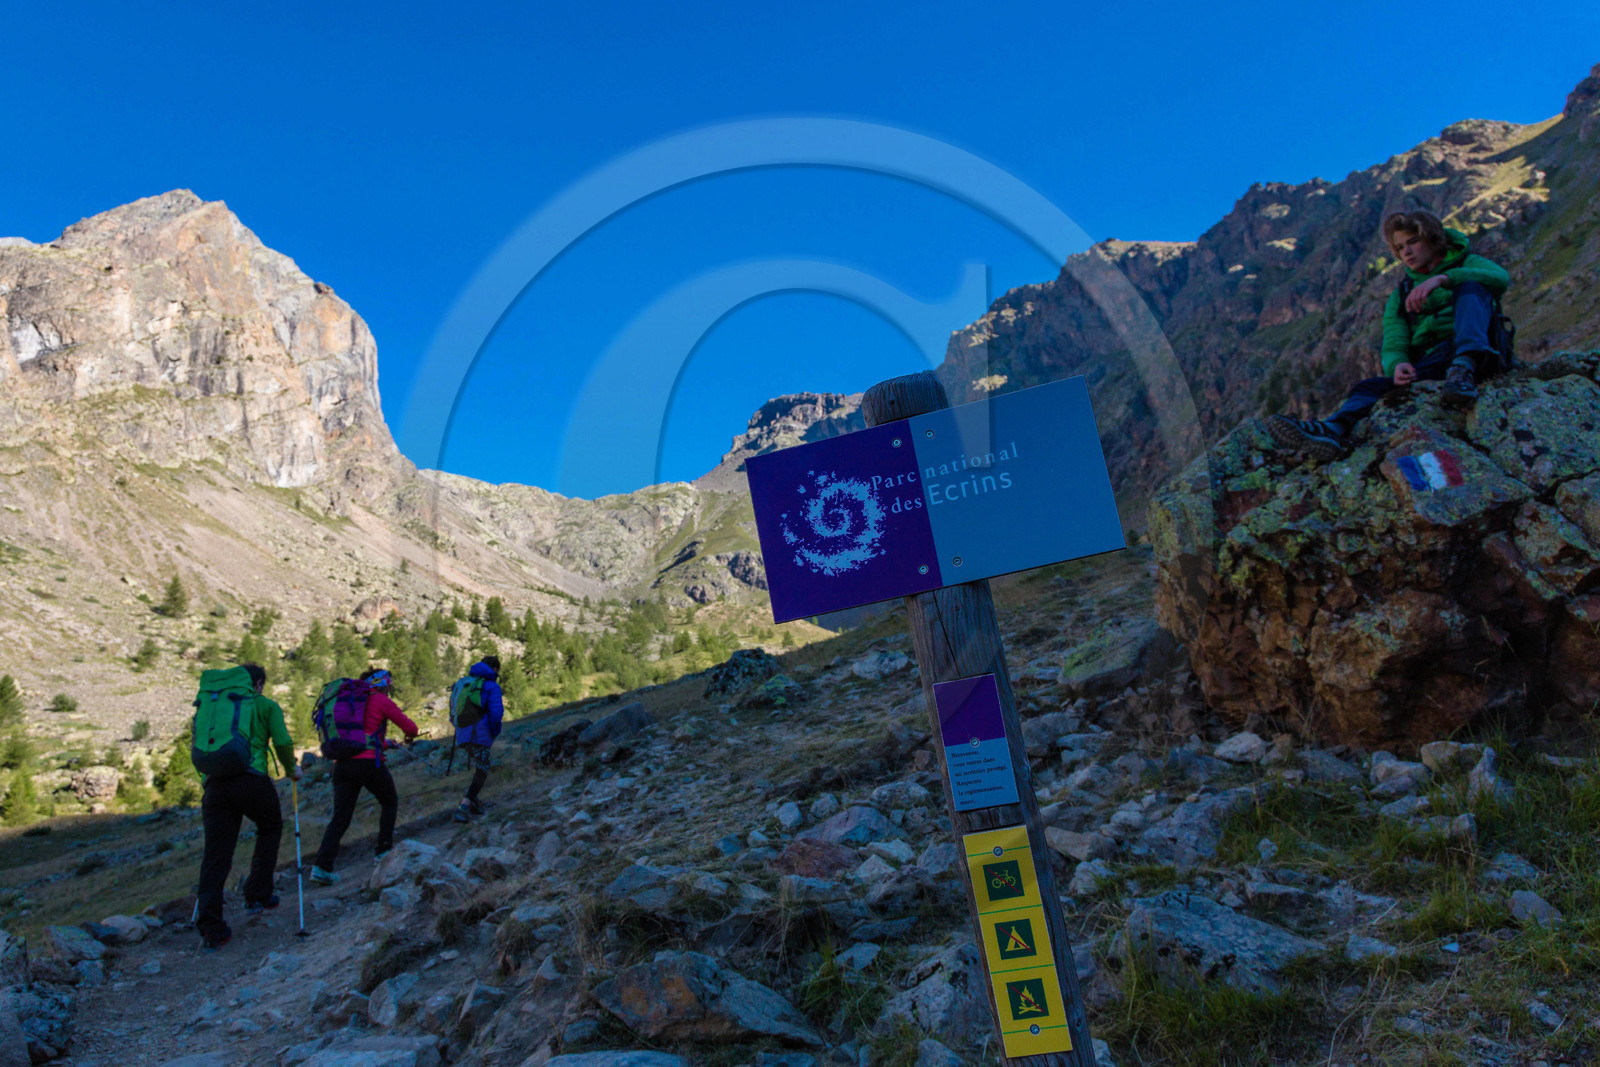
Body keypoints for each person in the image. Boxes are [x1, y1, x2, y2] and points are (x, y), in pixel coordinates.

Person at [1265, 209, 1511, 460]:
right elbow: (1395, 339)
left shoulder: (1468, 265)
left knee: (1471, 289)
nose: (1406, 252)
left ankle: (1464, 367)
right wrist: (1397, 364)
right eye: (1400, 247)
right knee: (1369, 387)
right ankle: (1332, 430)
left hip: (1483, 356)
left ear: (1433, 238)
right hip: (1436, 363)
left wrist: (1443, 279)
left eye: (1413, 241)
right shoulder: (1402, 293)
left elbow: (1500, 278)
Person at [193, 662, 299, 951]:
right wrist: (291, 769)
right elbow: (282, 741)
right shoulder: (265, 705)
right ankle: (257, 893)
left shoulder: (217, 707)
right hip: (251, 780)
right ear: (259, 683)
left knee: (216, 854)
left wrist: (207, 781)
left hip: (215, 785)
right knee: (270, 828)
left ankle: (211, 927)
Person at [308, 669, 419, 885]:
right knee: (389, 801)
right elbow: (411, 728)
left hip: (342, 765)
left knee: (341, 816)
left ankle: (321, 867)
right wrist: (408, 736)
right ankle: (383, 851)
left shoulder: (351, 701)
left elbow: (361, 736)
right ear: (383, 684)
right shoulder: (380, 700)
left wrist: (387, 744)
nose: (390, 688)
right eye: (389, 684)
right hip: (367, 763)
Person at [451, 655, 504, 823]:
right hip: (480, 735)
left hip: (462, 734)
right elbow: (495, 715)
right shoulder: (491, 686)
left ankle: (474, 803)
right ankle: (464, 805)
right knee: (482, 770)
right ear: (494, 669)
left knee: (479, 767)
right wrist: (494, 732)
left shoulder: (464, 683)